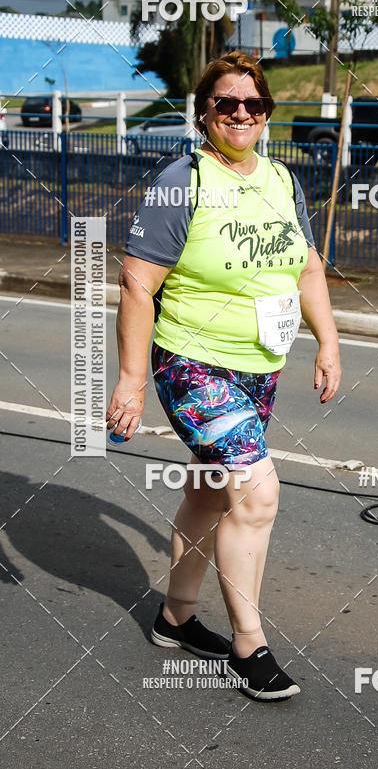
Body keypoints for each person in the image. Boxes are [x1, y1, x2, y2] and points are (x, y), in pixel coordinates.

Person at [106, 50, 341, 701]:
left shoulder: (282, 181)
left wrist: (329, 341)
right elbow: (136, 280)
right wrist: (130, 379)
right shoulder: (184, 180)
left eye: (254, 104)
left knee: (212, 492)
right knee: (256, 493)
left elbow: (309, 267)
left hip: (260, 367)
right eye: (226, 103)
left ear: (267, 114)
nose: (241, 113)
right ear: (204, 111)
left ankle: (174, 618)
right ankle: (248, 646)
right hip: (191, 363)